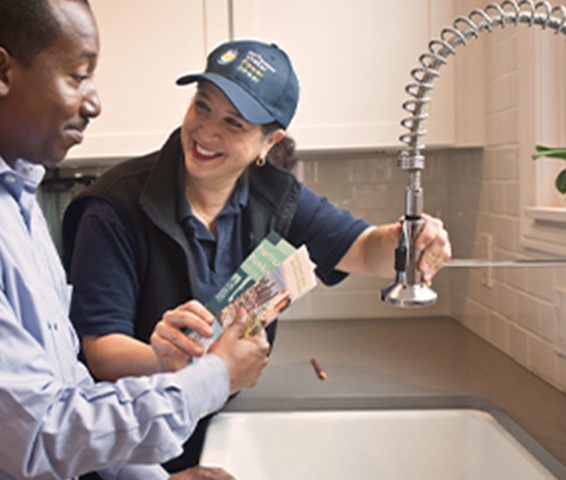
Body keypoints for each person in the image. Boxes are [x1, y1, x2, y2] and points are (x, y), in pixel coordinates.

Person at [0, 1, 271, 479]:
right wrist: (213, 377)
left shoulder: (14, 194)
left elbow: (66, 392)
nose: (94, 102)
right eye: (78, 75)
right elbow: (40, 433)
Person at [61, 39, 452, 475]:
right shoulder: (113, 208)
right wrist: (175, 362)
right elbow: (99, 351)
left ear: (270, 141)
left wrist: (408, 242)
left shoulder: (274, 196)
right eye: (202, 106)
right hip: (131, 446)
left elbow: (362, 249)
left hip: (217, 427)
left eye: (234, 122)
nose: (206, 132)